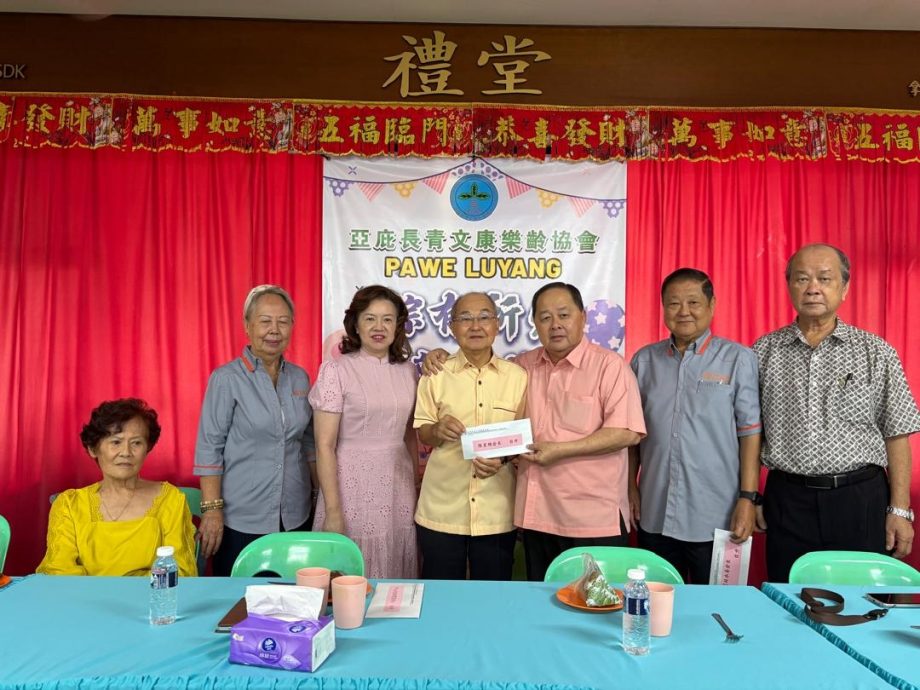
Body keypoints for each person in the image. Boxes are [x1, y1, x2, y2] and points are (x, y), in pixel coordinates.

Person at [423, 282, 646, 581]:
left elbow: (627, 433)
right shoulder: (522, 367)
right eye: (545, 317)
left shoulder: (610, 367)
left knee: (595, 603)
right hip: (537, 517)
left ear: (582, 317)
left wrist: (561, 450)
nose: (555, 325)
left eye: (564, 315)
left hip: (592, 518)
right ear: (535, 324)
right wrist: (440, 356)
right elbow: (508, 426)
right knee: (543, 601)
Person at [754, 244, 920, 581]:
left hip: (860, 499)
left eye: (824, 278)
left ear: (844, 288)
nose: (812, 288)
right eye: (802, 278)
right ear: (789, 286)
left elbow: (897, 433)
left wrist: (900, 510)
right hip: (788, 500)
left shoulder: (876, 352)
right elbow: (749, 434)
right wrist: (749, 497)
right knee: (789, 598)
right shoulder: (763, 352)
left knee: (864, 599)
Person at [627, 269, 761, 584]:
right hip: (655, 509)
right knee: (656, 600)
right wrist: (630, 486)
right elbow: (632, 434)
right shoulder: (644, 361)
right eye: (674, 303)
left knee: (715, 605)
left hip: (717, 514)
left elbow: (750, 434)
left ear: (711, 306)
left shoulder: (737, 359)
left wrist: (748, 498)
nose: (683, 311)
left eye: (693, 302)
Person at [193, 285, 316, 576]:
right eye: (265, 321)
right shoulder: (227, 379)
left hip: (295, 514)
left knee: (294, 594)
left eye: (283, 321)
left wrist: (318, 497)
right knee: (240, 597)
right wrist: (212, 510)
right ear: (247, 326)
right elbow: (210, 447)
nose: (274, 330)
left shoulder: (300, 378)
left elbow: (309, 443)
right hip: (241, 518)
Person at [414, 292, 527, 580]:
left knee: (493, 595)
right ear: (451, 327)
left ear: (497, 324)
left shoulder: (518, 377)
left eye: (484, 317)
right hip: (441, 509)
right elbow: (423, 432)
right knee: (440, 594)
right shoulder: (435, 374)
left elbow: (524, 437)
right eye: (465, 318)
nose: (475, 326)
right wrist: (437, 430)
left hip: (496, 510)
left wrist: (502, 459)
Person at [309, 285, 419, 578]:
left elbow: (409, 435)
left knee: (396, 570)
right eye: (370, 318)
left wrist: (415, 485)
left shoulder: (409, 372)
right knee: (350, 574)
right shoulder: (336, 370)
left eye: (387, 319)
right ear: (356, 325)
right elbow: (324, 445)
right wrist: (333, 510)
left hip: (398, 484)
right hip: (350, 486)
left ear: (398, 326)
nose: (379, 327)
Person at [37, 398, 197, 576]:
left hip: (149, 594)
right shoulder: (69, 505)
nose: (126, 452)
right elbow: (59, 571)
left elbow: (181, 572)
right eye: (116, 442)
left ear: (147, 449)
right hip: (85, 595)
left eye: (136, 443)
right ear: (93, 449)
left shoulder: (171, 500)